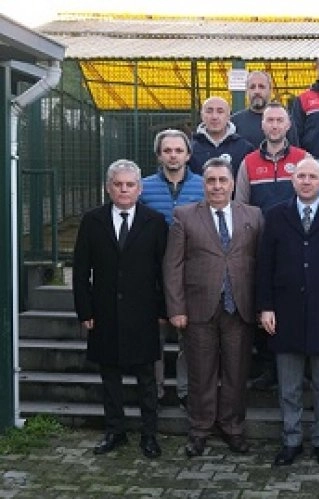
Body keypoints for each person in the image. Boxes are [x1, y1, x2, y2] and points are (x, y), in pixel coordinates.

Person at [256, 158, 319, 467]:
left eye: (312, 176)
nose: (306, 181)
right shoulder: (275, 216)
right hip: (285, 312)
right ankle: (291, 440)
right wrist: (265, 306)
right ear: (293, 180)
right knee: (289, 386)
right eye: (301, 176)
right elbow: (264, 265)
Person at [163, 157, 264, 458]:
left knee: (236, 372)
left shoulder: (254, 215)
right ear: (203, 184)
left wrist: (262, 306)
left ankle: (233, 428)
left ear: (233, 184)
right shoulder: (184, 216)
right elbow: (173, 266)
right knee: (200, 373)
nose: (217, 186)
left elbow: (262, 263)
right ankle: (199, 430)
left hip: (240, 308)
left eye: (223, 180)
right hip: (198, 309)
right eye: (211, 181)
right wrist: (176, 308)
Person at [72, 159, 168, 459]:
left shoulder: (155, 221)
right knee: (109, 376)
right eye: (118, 184)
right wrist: (85, 310)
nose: (124, 190)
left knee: (146, 378)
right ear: (108, 188)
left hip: (143, 312)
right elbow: (80, 269)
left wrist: (163, 309)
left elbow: (164, 270)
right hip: (105, 312)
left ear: (139, 189)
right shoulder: (92, 220)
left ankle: (149, 435)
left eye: (130, 184)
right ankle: (115, 431)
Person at [235, 102, 310, 391]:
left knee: (297, 306)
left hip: (298, 247)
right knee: (264, 306)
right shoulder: (248, 162)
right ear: (262, 125)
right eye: (270, 120)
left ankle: (301, 368)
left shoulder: (303, 158)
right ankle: (269, 368)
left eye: (280, 120)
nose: (275, 125)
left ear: (289, 125)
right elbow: (241, 206)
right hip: (261, 247)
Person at [139, 129, 204, 409]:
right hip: (151, 272)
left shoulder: (203, 185)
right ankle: (155, 390)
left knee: (188, 335)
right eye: (167, 151)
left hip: (191, 271)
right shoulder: (143, 187)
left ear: (188, 155)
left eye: (179, 150)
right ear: (159, 155)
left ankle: (185, 390)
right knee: (153, 335)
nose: (173, 156)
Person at [187, 96, 255, 179]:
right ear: (202, 115)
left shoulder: (244, 148)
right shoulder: (190, 148)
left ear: (228, 116)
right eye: (209, 111)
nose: (214, 117)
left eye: (220, 112)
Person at [231, 70, 299, 148]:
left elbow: (294, 151)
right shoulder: (234, 122)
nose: (257, 91)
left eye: (261, 87)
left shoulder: (284, 120)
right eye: (252, 87)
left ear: (270, 90)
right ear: (247, 91)